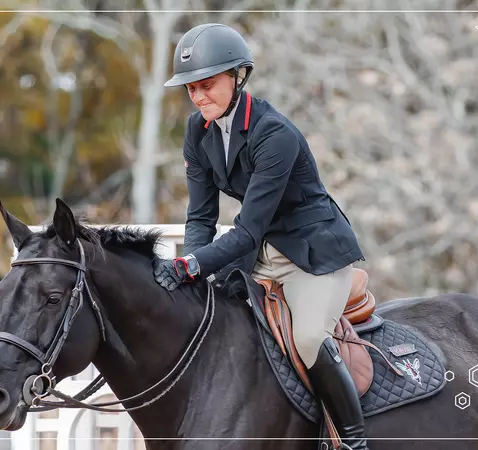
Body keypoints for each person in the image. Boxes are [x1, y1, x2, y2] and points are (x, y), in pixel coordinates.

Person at [152, 23, 368, 450]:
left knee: (308, 339)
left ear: (238, 76)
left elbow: (247, 229)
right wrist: (194, 270)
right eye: (190, 89)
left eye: (207, 85)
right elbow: (200, 217)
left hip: (312, 254)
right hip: (258, 252)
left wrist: (192, 264)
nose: (197, 97)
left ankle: (354, 440)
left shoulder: (275, 135)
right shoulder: (198, 132)